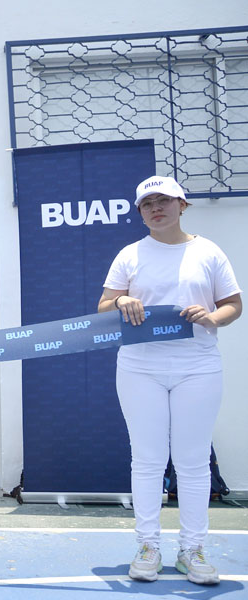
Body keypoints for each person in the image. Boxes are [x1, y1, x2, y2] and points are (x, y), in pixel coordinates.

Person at [98, 175, 242, 585]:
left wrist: (213, 318)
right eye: (148, 204)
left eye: (164, 201)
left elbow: (233, 304)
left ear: (183, 205)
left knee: (193, 462)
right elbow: (105, 304)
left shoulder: (208, 252)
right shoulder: (130, 254)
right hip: (140, 367)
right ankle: (148, 546)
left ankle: (192, 550)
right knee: (147, 459)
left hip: (197, 365)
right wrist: (121, 300)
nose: (156, 208)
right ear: (141, 212)